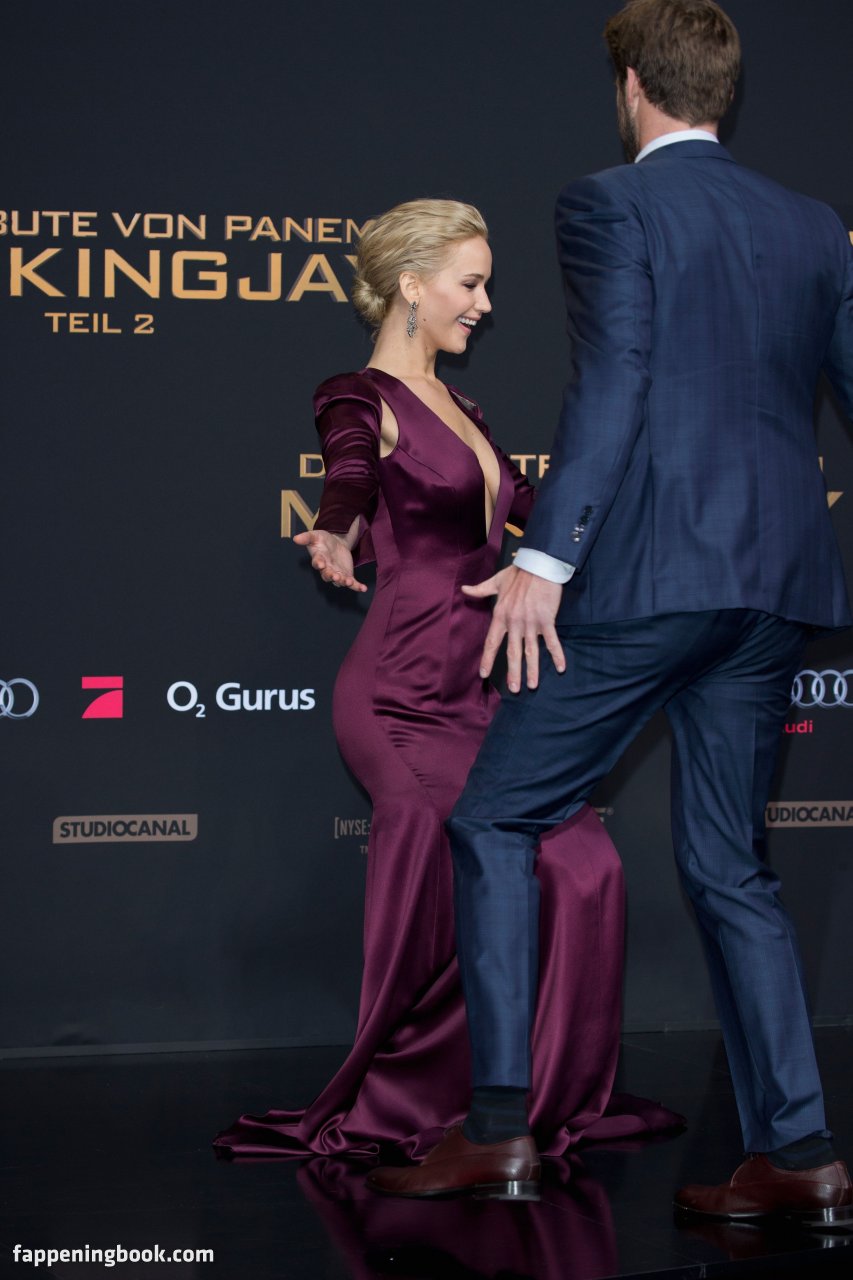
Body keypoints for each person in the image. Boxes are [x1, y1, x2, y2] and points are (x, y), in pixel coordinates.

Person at [367, 0, 853, 1225]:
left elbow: (615, 382)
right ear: (720, 90)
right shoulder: (811, 225)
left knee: (494, 815)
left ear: (631, 84)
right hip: (773, 587)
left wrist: (547, 555)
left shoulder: (610, 203)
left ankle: (498, 1130)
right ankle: (799, 1150)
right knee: (731, 867)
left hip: (648, 579)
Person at [213, 199, 681, 1162]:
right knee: (442, 875)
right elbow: (348, 476)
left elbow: (540, 514)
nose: (485, 305)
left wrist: (650, 511)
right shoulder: (356, 396)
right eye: (469, 284)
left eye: (485, 285)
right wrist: (336, 530)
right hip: (397, 695)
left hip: (483, 692)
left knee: (583, 865)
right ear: (409, 284)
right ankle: (415, 1098)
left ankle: (536, 1094)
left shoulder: (465, 412)